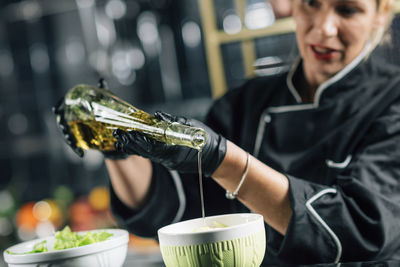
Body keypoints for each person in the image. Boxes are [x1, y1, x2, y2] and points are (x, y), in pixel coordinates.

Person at [54, 0, 400, 265]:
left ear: (380, 16)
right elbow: (173, 211)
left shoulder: (392, 102)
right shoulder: (244, 104)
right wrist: (117, 147)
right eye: (311, 2)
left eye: (348, 9)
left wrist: (223, 160)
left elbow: (361, 228)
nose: (324, 27)